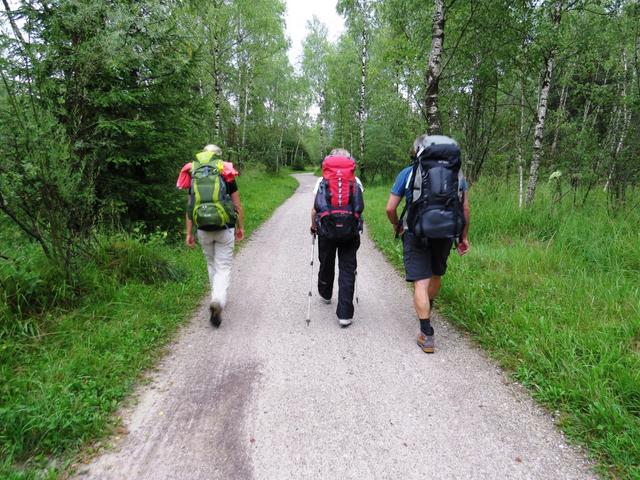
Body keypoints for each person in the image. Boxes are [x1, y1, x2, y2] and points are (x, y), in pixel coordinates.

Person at [385, 134, 470, 353]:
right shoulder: (456, 173)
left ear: (417, 151)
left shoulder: (409, 172)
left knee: (420, 283)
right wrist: (463, 237)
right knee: (435, 275)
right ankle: (427, 308)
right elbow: (465, 208)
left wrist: (397, 225)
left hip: (415, 231)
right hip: (446, 232)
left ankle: (426, 333)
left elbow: (390, 208)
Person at [177, 144, 244, 327]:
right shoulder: (225, 171)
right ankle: (218, 300)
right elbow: (237, 205)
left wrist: (189, 233)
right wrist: (240, 227)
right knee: (223, 266)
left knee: (211, 263)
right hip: (225, 227)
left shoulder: (194, 172)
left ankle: (216, 295)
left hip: (203, 228)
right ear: (218, 157)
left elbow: (190, 207)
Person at [310, 148, 364, 327]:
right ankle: (345, 314)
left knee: (326, 261)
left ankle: (325, 294)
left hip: (327, 230)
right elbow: (358, 207)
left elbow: (315, 209)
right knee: (347, 268)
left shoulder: (322, 181)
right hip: (350, 231)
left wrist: (313, 226)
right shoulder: (355, 181)